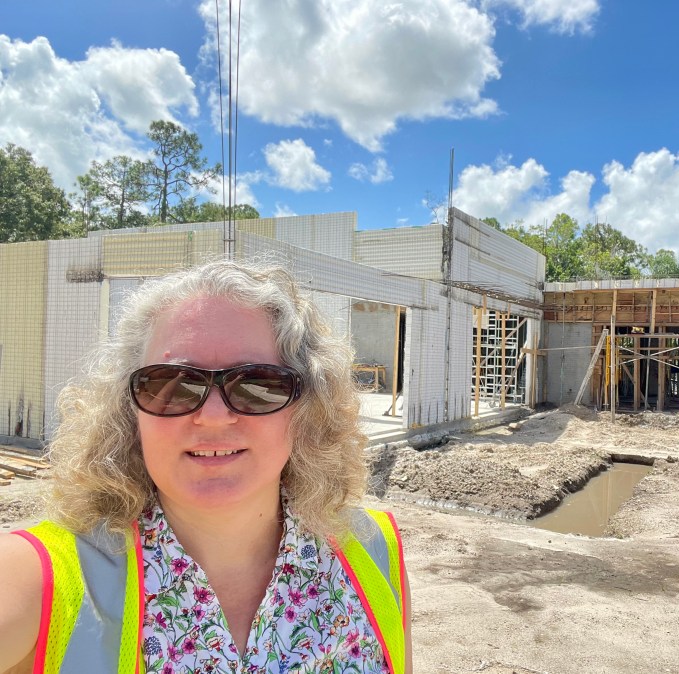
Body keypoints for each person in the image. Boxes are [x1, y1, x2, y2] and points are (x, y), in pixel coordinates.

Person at [0, 259, 411, 673]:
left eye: (259, 384)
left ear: (306, 410)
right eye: (170, 384)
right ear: (129, 413)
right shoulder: (38, 579)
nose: (213, 417)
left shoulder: (375, 547)